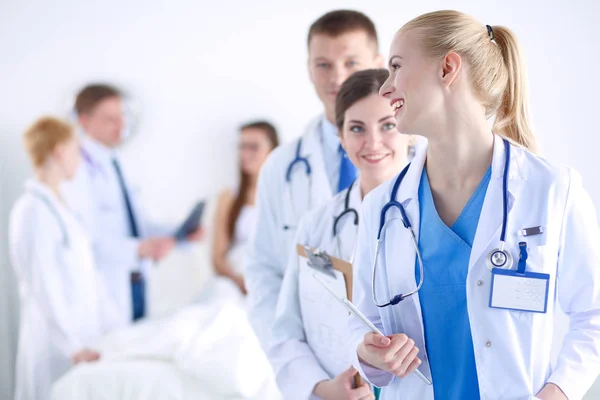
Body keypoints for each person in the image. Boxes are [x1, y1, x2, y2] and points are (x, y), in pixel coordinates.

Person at [348, 10, 600, 400]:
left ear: (448, 67)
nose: (385, 88)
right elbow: (363, 320)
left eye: (396, 67)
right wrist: (369, 352)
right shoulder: (382, 207)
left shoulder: (551, 189)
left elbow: (593, 315)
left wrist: (558, 392)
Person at [245, 9, 384, 351]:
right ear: (309, 69)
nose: (337, 77)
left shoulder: (414, 155)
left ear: (380, 63)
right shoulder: (280, 166)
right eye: (323, 64)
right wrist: (299, 369)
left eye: (352, 62)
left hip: (397, 360)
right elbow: (264, 272)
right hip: (317, 358)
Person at [271, 69, 410, 400]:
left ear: (410, 129)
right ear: (341, 136)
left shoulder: (440, 214)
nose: (372, 143)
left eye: (388, 125)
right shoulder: (317, 225)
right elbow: (287, 329)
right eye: (357, 128)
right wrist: (322, 388)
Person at [62, 84, 203, 327]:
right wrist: (140, 249)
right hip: (106, 286)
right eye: (110, 119)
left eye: (122, 117)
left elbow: (137, 223)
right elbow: (85, 243)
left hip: (134, 281)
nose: (121, 126)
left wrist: (179, 235)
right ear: (84, 121)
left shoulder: (117, 162)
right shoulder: (78, 170)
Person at [9, 117, 121, 400]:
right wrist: (71, 346)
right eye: (76, 151)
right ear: (59, 152)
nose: (80, 160)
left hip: (84, 341)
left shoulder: (62, 205)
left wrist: (115, 329)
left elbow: (87, 275)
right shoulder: (32, 211)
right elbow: (44, 286)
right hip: (56, 349)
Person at [211, 121, 279, 296]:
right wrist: (239, 282)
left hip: (269, 285)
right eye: (242, 146)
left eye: (253, 147)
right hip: (234, 285)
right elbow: (218, 258)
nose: (245, 154)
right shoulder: (228, 197)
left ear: (272, 151)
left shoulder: (285, 197)